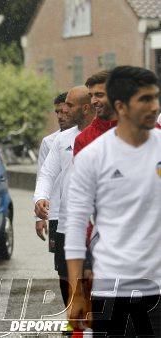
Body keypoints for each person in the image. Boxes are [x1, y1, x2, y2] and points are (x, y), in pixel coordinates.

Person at [65, 66, 161, 336]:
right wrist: (78, 290)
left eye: (154, 98)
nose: (153, 106)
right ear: (122, 104)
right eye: (144, 99)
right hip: (111, 285)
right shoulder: (91, 152)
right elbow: (77, 223)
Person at [33, 86, 94, 307]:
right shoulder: (61, 140)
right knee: (66, 276)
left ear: (85, 108)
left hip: (99, 226)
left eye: (69, 105)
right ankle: (75, 320)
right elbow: (47, 173)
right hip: (67, 224)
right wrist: (40, 198)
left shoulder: (108, 136)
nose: (63, 110)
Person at [35, 92, 73, 251]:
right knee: (62, 268)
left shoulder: (90, 137)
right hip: (56, 213)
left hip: (81, 212)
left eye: (64, 112)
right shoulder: (49, 141)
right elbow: (43, 175)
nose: (60, 116)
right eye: (57, 112)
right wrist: (39, 216)